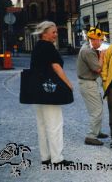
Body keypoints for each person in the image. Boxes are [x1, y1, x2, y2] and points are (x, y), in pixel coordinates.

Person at [30, 21, 73, 166]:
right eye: (53, 32)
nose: (56, 35)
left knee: (42, 125)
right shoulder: (48, 47)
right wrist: (68, 83)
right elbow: (56, 66)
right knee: (55, 124)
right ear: (44, 33)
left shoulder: (37, 47)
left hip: (37, 91)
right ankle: (57, 158)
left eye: (56, 32)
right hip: (49, 90)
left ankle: (45, 157)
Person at [76, 26, 109, 146]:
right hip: (88, 83)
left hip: (89, 83)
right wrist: (101, 56)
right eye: (101, 39)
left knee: (97, 107)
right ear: (94, 40)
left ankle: (97, 131)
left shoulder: (88, 48)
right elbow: (98, 69)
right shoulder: (88, 51)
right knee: (97, 110)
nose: (103, 41)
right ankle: (91, 136)